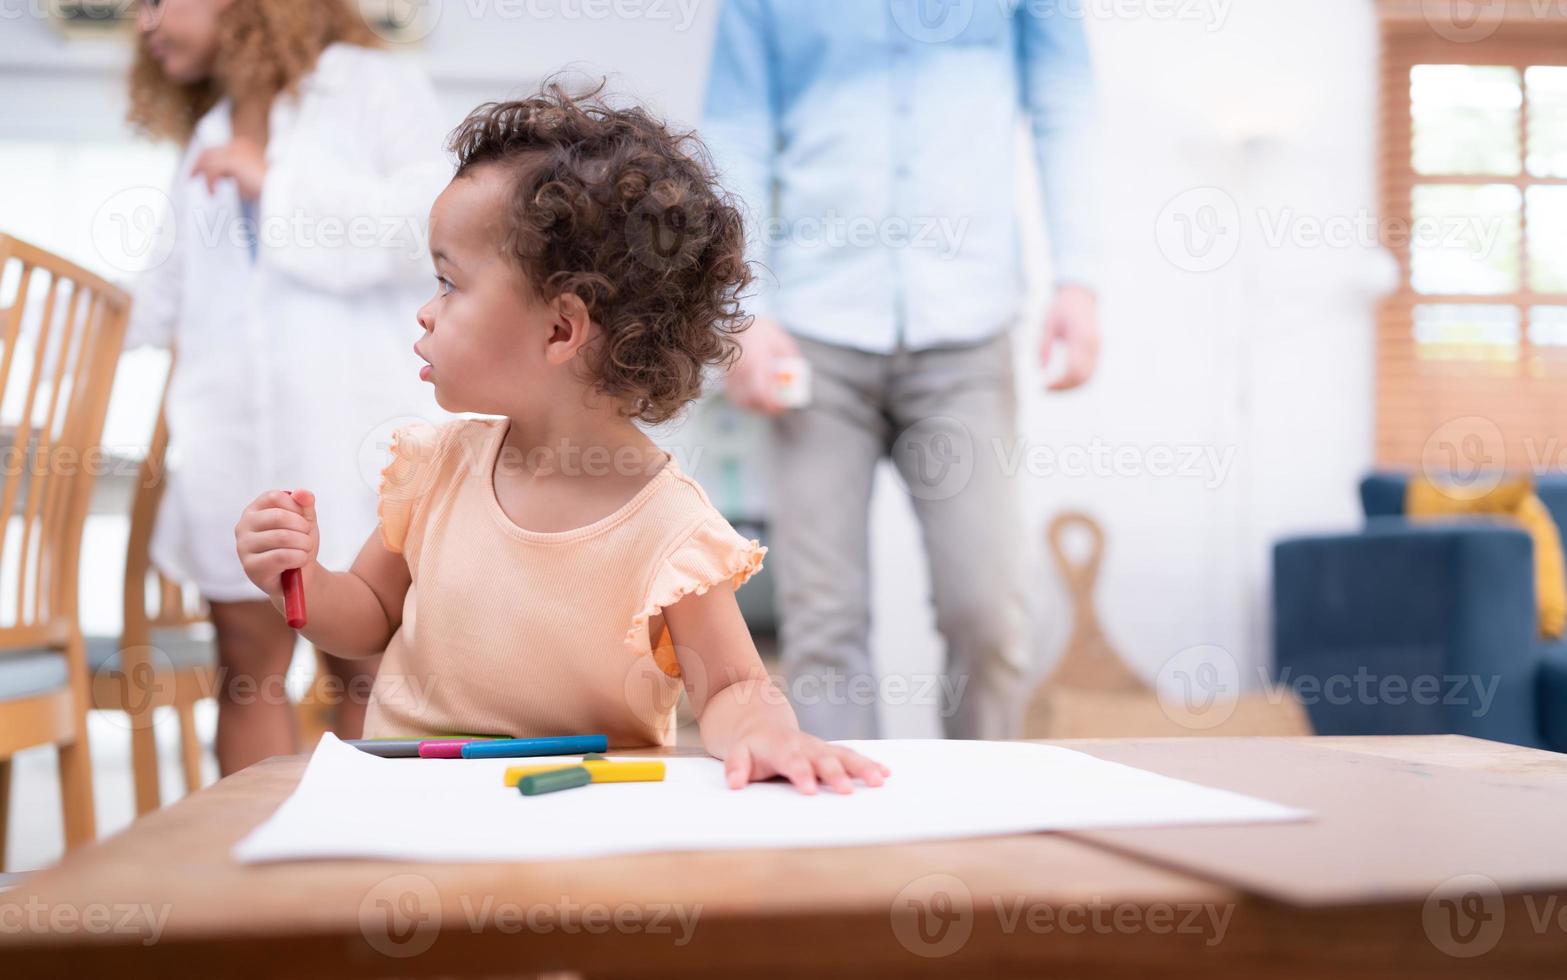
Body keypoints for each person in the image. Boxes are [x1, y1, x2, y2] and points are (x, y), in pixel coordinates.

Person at [233, 87, 890, 794]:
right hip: (415, 805)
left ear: (559, 330)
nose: (425, 313)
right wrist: (297, 577)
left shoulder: (669, 527)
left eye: (449, 284)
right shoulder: (437, 468)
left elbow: (731, 686)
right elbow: (366, 617)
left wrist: (766, 734)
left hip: (582, 822)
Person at [703, 1, 1104, 740]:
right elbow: (735, 135)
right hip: (812, 333)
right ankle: (846, 833)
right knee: (823, 621)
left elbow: (1064, 107)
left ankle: (983, 817)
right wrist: (744, 308)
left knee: (985, 610)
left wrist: (1077, 278)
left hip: (968, 330)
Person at [126, 0, 448, 772]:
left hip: (353, 428)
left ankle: (360, 871)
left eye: (155, 0)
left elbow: (426, 224)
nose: (141, 23)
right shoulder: (211, 129)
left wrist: (275, 183)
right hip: (232, 435)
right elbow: (159, 293)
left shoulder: (373, 85)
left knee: (367, 660)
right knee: (245, 666)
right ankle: (254, 878)